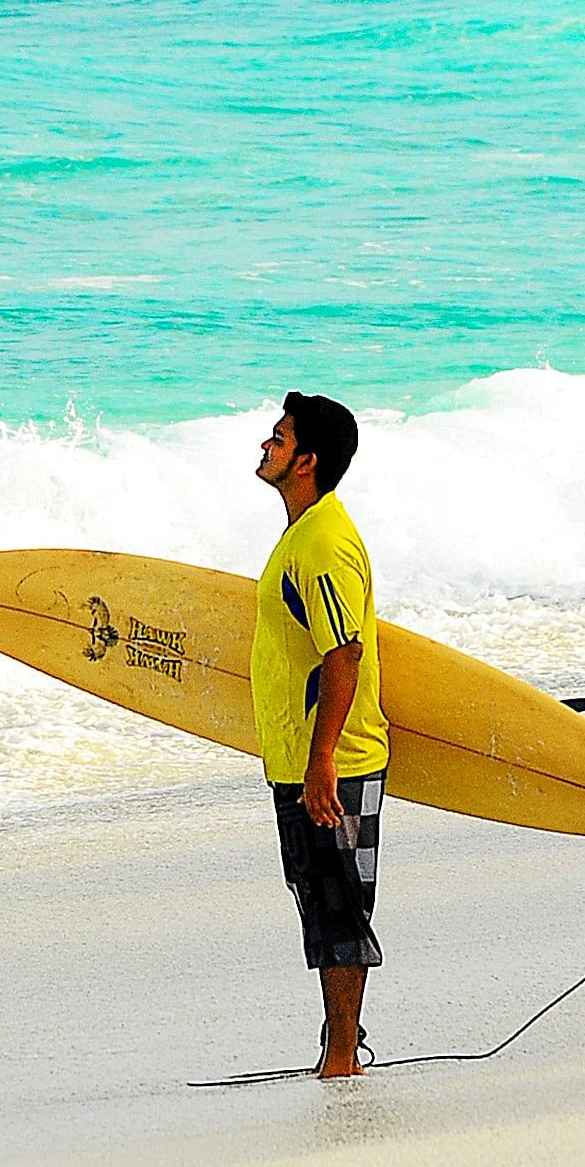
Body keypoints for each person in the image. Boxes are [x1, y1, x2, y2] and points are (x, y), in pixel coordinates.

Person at [251, 390, 387, 1078]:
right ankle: (339, 1045)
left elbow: (345, 654)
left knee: (338, 905)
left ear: (306, 461)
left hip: (335, 760)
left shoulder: (324, 545)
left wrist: (323, 760)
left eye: (278, 438)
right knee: (319, 896)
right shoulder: (302, 534)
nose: (266, 445)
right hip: (300, 754)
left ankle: (341, 1058)